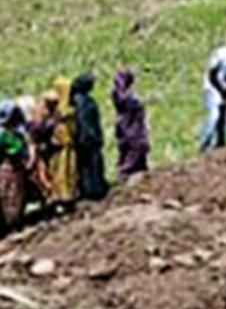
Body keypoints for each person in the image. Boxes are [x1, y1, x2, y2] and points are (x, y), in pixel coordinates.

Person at [34, 82, 77, 211]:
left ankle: (62, 197)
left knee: (60, 173)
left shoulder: (60, 113)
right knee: (59, 173)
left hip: (58, 148)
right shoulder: (63, 112)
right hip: (55, 147)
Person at [198, 39, 226, 153]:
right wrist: (221, 89)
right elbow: (212, 73)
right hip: (212, 89)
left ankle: (221, 142)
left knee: (223, 117)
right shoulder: (221, 54)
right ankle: (205, 143)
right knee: (215, 116)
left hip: (222, 92)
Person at [69, 72, 106, 201]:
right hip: (88, 138)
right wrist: (91, 137)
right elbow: (84, 122)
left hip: (87, 137)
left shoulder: (79, 100)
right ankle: (93, 189)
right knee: (90, 164)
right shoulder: (82, 102)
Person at [110, 70, 149, 177]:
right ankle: (128, 172)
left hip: (123, 127)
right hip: (134, 129)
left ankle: (125, 171)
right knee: (135, 151)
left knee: (126, 150)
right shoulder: (130, 98)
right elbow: (137, 103)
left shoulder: (118, 94)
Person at [0, 101, 31, 232]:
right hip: (11, 167)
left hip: (10, 167)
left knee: (10, 194)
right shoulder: (5, 133)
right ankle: (11, 222)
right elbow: (16, 149)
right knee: (11, 195)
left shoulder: (12, 131)